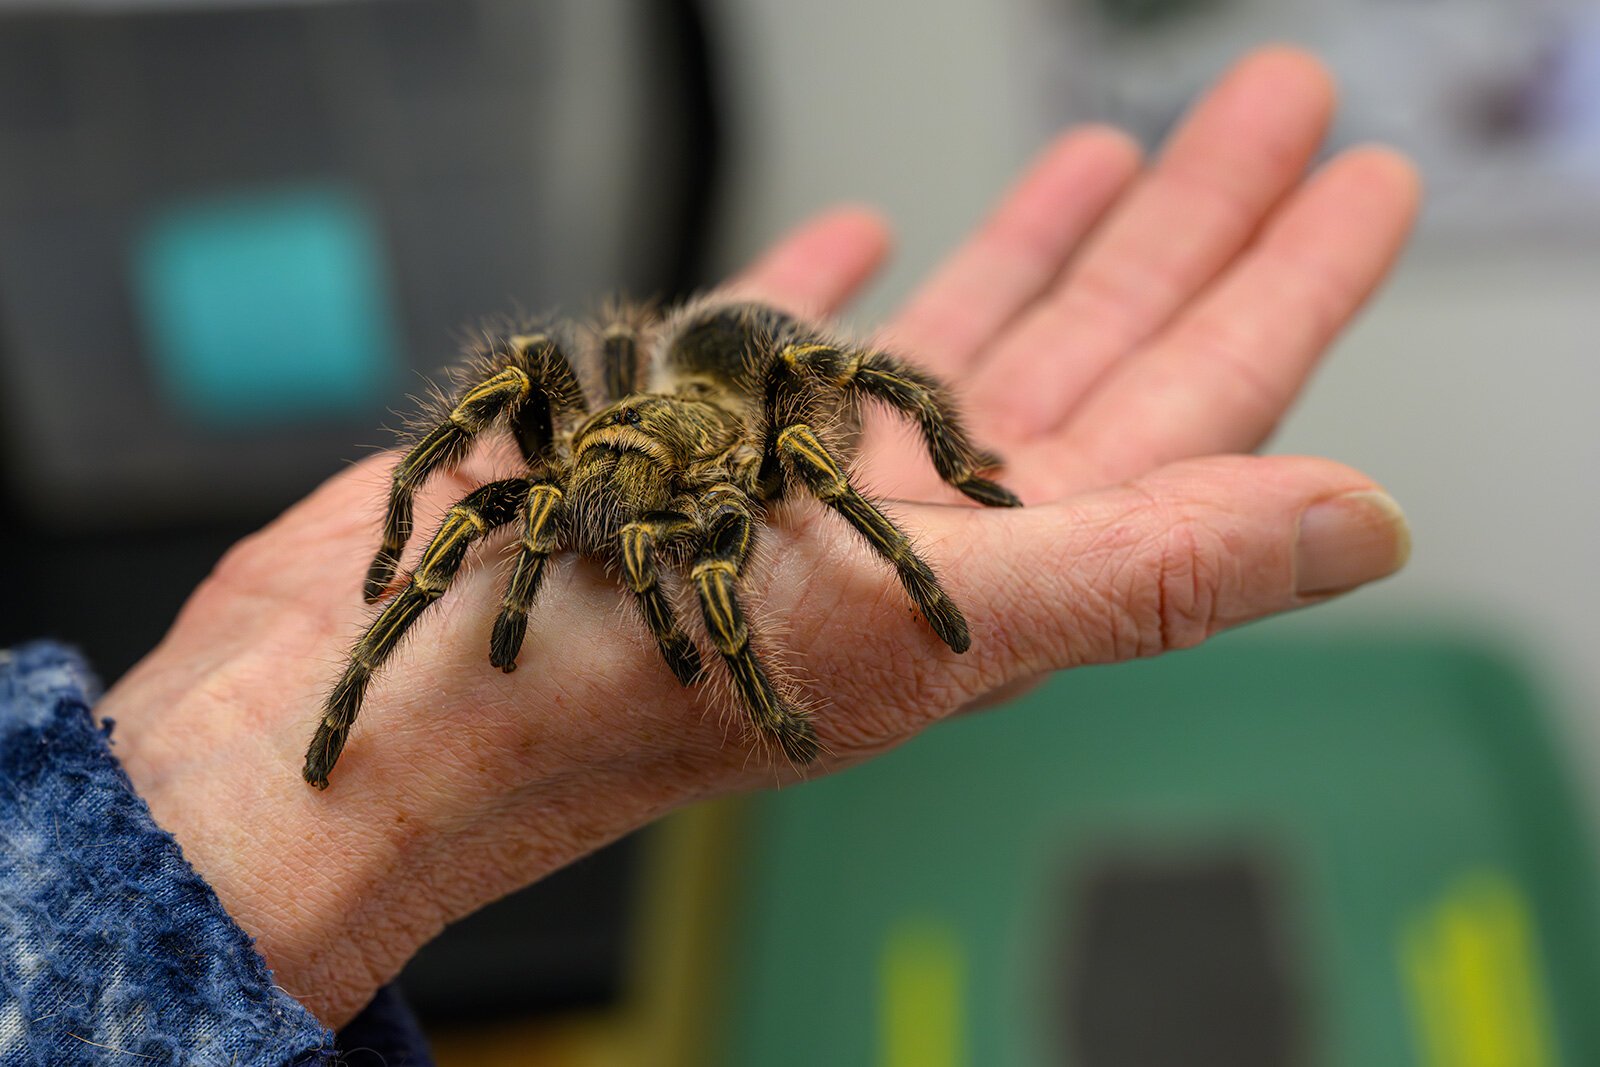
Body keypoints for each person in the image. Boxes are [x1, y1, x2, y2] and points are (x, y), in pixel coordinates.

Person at [0, 47, 1418, 1064]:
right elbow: (482, 445)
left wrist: (924, 552)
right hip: (645, 418)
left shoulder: (775, 441)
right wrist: (387, 554)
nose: (577, 527)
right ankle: (346, 696)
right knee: (503, 408)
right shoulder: (574, 455)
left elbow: (801, 466)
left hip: (730, 419)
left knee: (792, 452)